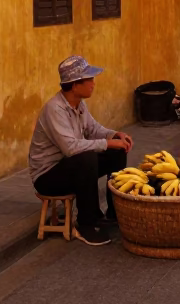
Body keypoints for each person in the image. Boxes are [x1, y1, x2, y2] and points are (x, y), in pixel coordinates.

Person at [29, 55, 134, 246]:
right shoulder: (55, 109)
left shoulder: (79, 104)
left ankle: (113, 213)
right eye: (89, 80)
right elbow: (70, 148)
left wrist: (115, 135)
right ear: (75, 85)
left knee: (116, 152)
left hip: (69, 167)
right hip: (47, 176)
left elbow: (93, 129)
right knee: (86, 158)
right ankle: (86, 223)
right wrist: (107, 143)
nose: (93, 84)